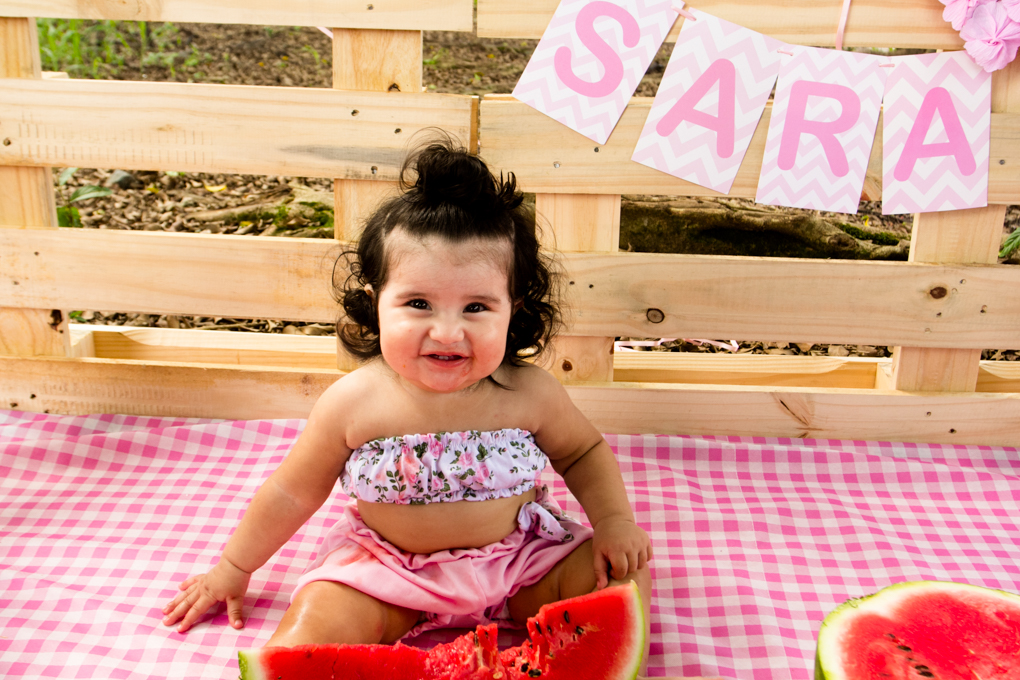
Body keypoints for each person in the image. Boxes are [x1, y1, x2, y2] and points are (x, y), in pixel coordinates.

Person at [160, 137, 653, 664]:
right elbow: (291, 493)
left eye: (476, 307)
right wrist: (233, 568)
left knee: (622, 575)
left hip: (521, 565)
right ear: (376, 306)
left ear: (514, 308)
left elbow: (582, 453)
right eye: (418, 303)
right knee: (316, 619)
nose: (446, 331)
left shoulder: (528, 392)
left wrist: (614, 521)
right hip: (387, 573)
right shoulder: (353, 402)